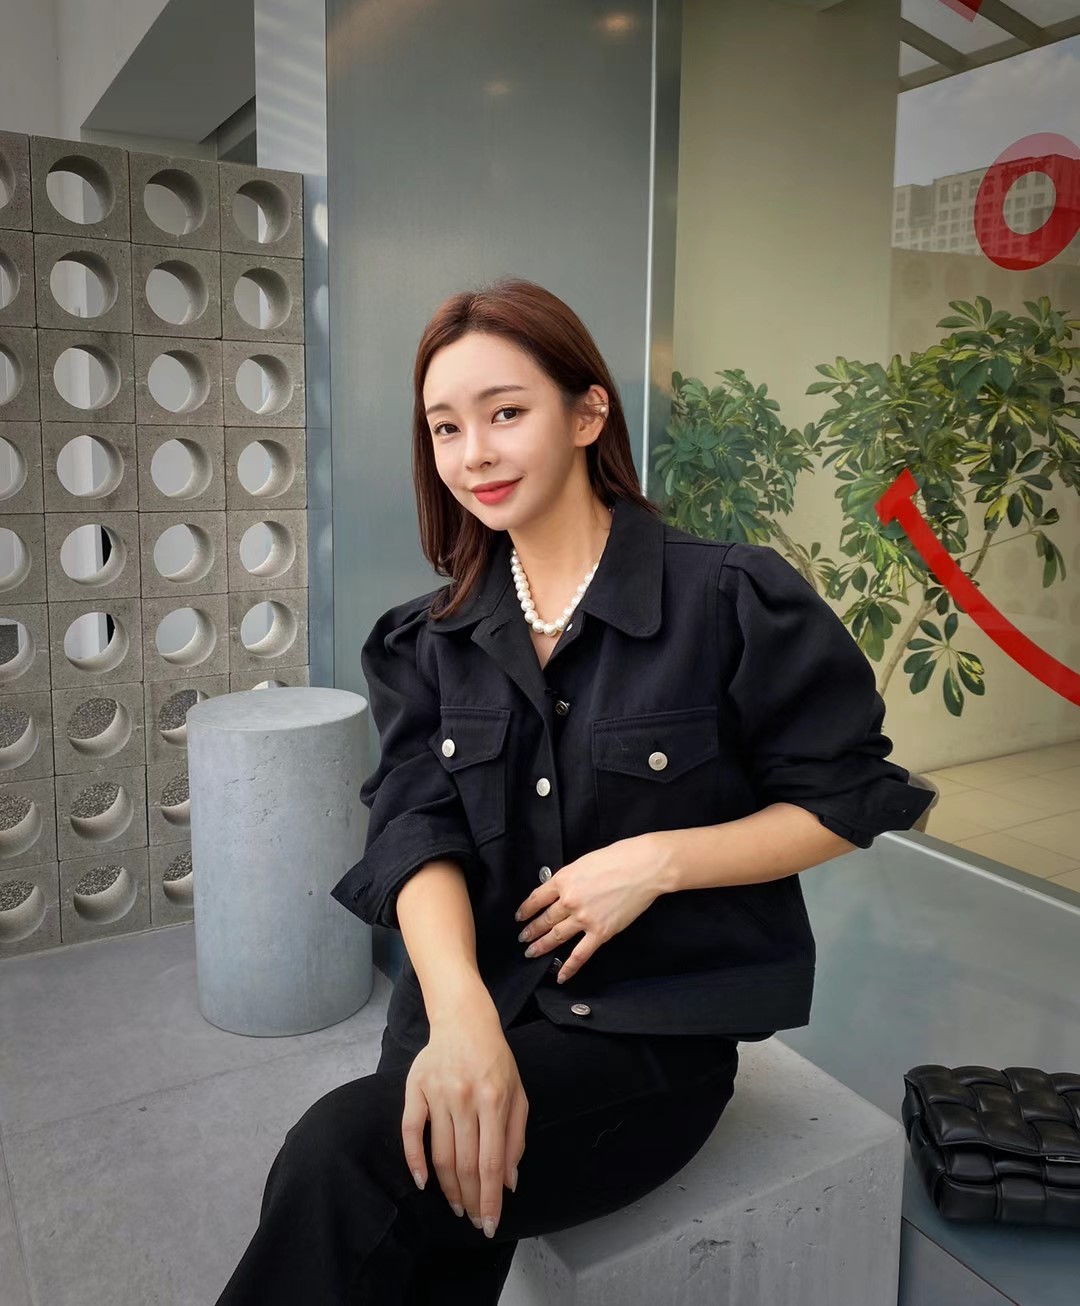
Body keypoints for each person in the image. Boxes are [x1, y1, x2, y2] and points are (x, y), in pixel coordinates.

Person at [215, 277, 934, 1304]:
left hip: (644, 1039)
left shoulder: (729, 598)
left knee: (348, 1161)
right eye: (446, 427)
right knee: (400, 1212)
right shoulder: (427, 639)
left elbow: (845, 797)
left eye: (506, 412)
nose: (474, 453)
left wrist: (658, 861)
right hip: (466, 1005)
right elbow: (413, 828)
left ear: (588, 412)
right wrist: (459, 1014)